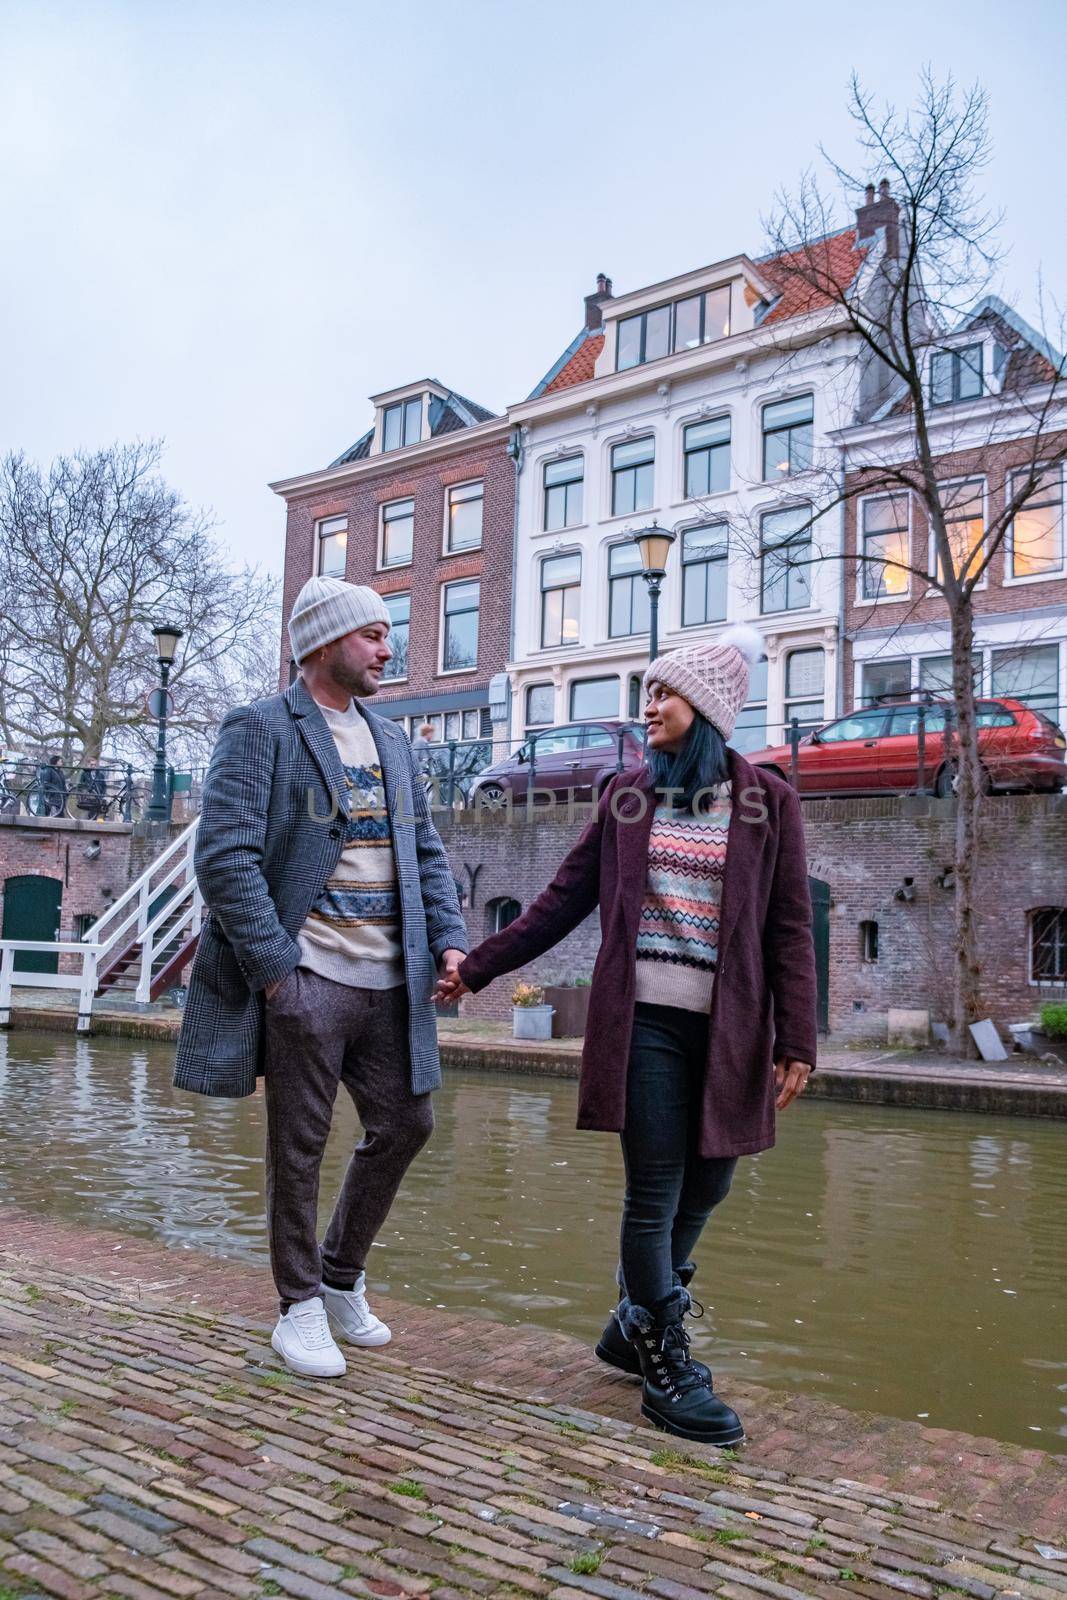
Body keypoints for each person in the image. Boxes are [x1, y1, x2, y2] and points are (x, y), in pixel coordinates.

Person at [436, 626, 817, 1447]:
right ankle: (665, 1361)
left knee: (711, 1183)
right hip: (642, 1022)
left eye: (662, 692)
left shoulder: (769, 802)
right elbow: (558, 901)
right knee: (654, 1191)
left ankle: (628, 1325)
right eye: (647, 691)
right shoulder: (626, 797)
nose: (646, 706)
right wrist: (478, 969)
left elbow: (789, 929)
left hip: (730, 1030)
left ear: (705, 708)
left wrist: (799, 1038)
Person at [175, 575, 468, 1378]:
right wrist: (278, 975)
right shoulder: (259, 729)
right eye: (372, 634)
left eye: (385, 633)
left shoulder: (394, 740)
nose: (387, 647)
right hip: (307, 976)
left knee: (408, 1125)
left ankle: (339, 1275)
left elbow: (426, 854)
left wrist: (448, 941)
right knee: (297, 1147)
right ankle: (297, 1307)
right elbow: (223, 856)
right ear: (323, 645)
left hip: (391, 978)